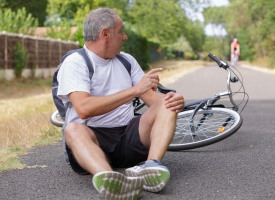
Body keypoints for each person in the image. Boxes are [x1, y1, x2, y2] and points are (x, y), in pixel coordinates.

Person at [57, 7, 184, 200]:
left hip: (128, 137)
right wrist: (134, 90)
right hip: (94, 140)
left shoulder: (127, 61)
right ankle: (110, 180)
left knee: (166, 103)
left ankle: (151, 166)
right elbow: (83, 109)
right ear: (105, 34)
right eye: (121, 31)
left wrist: (173, 100)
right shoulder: (75, 62)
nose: (125, 37)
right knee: (73, 129)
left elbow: (152, 100)